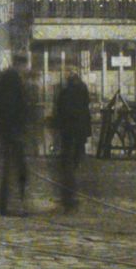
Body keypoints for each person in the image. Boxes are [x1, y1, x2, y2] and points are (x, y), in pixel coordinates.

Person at [0, 51, 36, 214]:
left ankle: (10, 204)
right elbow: (10, 108)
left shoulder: (9, 78)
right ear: (21, 65)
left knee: (12, 169)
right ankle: (14, 205)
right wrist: (15, 130)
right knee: (17, 169)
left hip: (11, 131)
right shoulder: (12, 79)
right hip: (13, 132)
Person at [53, 69, 93, 212]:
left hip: (68, 132)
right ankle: (71, 192)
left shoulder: (65, 92)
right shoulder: (82, 90)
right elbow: (85, 111)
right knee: (75, 161)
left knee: (67, 163)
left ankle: (68, 193)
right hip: (79, 132)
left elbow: (60, 112)